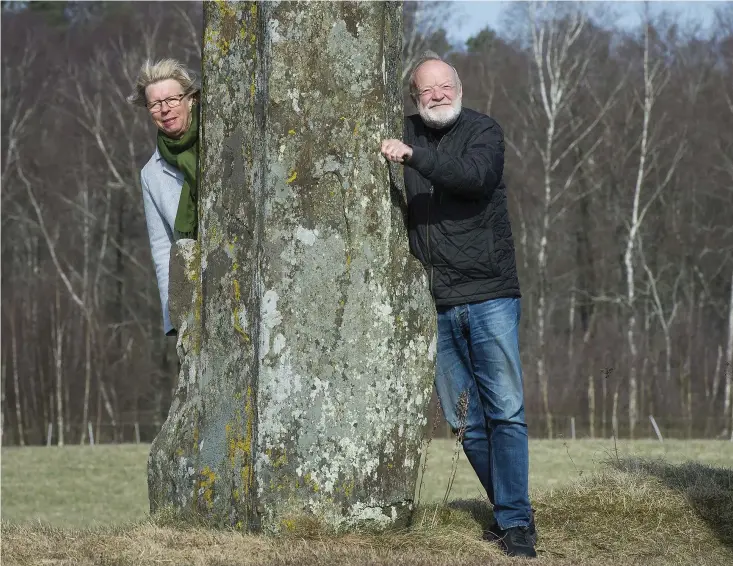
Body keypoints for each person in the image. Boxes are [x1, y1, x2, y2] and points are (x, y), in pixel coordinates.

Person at [380, 52, 537, 558]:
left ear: (459, 87)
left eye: (445, 85)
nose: (438, 95)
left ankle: (516, 525)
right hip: (436, 303)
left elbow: (474, 179)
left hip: (490, 294)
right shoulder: (403, 132)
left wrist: (411, 157)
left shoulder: (483, 132)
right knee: (466, 423)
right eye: (427, 90)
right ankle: (511, 512)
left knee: (506, 412)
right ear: (414, 97)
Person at [128, 58, 200, 337]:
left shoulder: (219, 136)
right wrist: (174, 321)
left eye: (171, 99)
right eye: (155, 104)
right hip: (196, 281)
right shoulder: (151, 175)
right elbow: (162, 247)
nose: (164, 109)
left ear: (190, 99)